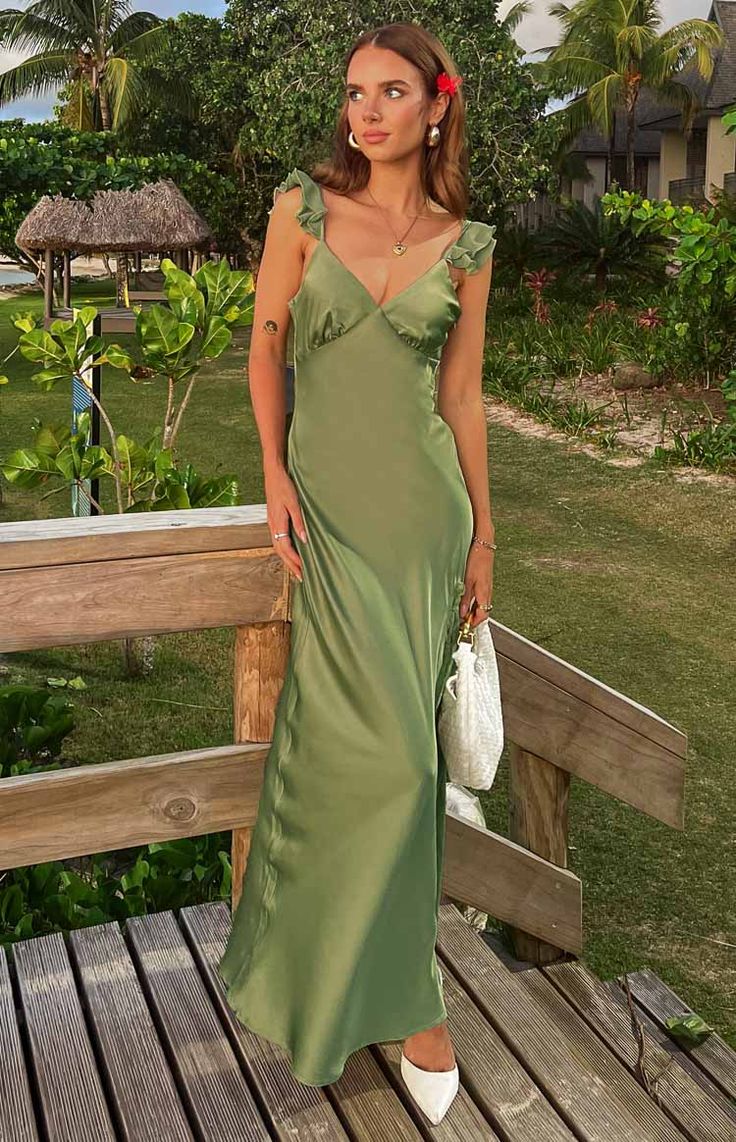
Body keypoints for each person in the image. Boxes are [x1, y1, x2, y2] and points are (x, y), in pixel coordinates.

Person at [217, 20, 497, 1125]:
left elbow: (461, 398)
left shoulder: (468, 243)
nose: (365, 111)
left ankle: (397, 999)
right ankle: (351, 992)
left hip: (424, 527)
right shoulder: (301, 208)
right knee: (360, 768)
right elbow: (264, 347)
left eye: (389, 92)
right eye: (353, 93)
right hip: (327, 522)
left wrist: (482, 537)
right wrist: (274, 475)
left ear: (435, 107)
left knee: (396, 774)